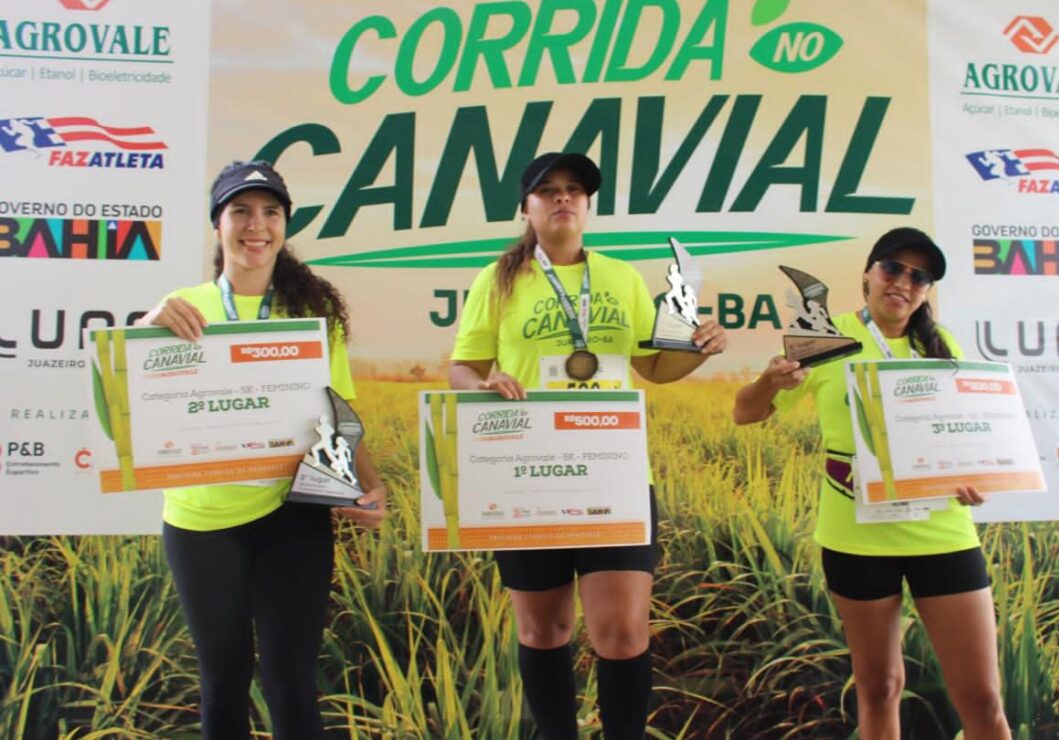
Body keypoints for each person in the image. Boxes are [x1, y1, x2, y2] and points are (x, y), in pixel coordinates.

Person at [449, 152, 727, 739]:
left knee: (623, 632)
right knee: (543, 632)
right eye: (547, 190)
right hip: (527, 472)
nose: (562, 199)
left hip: (612, 473)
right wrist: (486, 383)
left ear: (587, 204)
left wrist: (698, 348)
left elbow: (652, 365)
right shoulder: (497, 280)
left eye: (574, 190)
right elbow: (462, 369)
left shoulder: (621, 277)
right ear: (525, 207)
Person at [137, 160, 387, 739]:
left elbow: (339, 412)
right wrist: (146, 327)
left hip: (292, 515)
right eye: (241, 211)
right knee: (223, 677)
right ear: (218, 225)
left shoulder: (313, 311)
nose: (257, 225)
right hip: (202, 521)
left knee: (290, 679)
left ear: (284, 224)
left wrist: (367, 484)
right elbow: (129, 399)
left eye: (270, 212)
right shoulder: (183, 305)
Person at [732, 227, 1010, 739]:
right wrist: (771, 380)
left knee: (983, 698)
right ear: (867, 273)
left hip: (941, 534)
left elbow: (969, 436)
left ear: (926, 290)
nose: (903, 281)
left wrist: (975, 476)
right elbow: (744, 414)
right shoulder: (822, 336)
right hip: (854, 536)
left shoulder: (940, 343)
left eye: (919, 276)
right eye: (892, 268)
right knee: (878, 688)